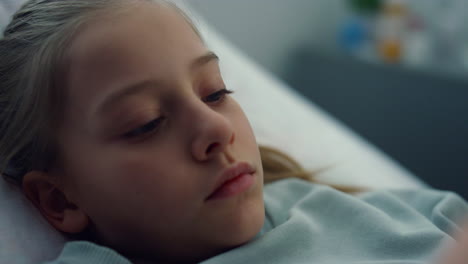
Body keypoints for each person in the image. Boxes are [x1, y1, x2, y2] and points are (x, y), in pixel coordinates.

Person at [0, 0, 467, 263]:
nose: (216, 129)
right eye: (146, 123)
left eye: (215, 92)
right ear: (59, 201)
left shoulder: (362, 211)